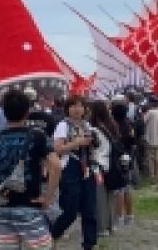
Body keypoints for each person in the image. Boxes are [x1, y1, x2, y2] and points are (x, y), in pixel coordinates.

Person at [0, 89, 60, 250]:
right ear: (27, 112)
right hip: (30, 206)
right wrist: (47, 197)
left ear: (4, 113)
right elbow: (56, 166)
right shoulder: (37, 136)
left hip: (4, 208)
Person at [51, 95, 97, 250]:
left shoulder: (87, 125)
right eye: (73, 106)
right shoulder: (63, 125)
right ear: (67, 108)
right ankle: (52, 234)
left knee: (89, 208)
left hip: (87, 167)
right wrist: (77, 142)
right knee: (71, 208)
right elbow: (57, 148)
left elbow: (93, 144)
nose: (77, 109)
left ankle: (89, 244)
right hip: (70, 166)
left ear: (85, 109)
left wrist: (93, 142)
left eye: (80, 106)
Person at [88, 100, 121, 236]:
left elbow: (92, 148)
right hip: (111, 164)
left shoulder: (92, 129)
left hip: (97, 165)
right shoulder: (112, 126)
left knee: (99, 196)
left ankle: (102, 227)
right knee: (110, 195)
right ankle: (112, 224)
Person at [112, 101, 136, 225]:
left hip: (118, 158)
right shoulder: (129, 125)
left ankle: (119, 216)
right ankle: (130, 215)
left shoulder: (114, 126)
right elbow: (133, 141)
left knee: (119, 189)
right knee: (127, 188)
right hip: (129, 157)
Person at [143, 96, 158, 185]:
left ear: (151, 103)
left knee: (150, 159)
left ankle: (152, 176)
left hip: (150, 138)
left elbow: (143, 121)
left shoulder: (150, 112)